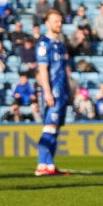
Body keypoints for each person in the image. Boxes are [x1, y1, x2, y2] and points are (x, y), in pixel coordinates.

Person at [35, 10, 71, 176]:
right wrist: (47, 92)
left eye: (60, 21)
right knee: (49, 128)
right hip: (53, 93)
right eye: (56, 21)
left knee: (55, 129)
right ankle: (42, 165)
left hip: (62, 92)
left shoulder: (61, 45)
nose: (59, 24)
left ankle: (49, 166)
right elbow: (43, 70)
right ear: (47, 23)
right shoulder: (44, 44)